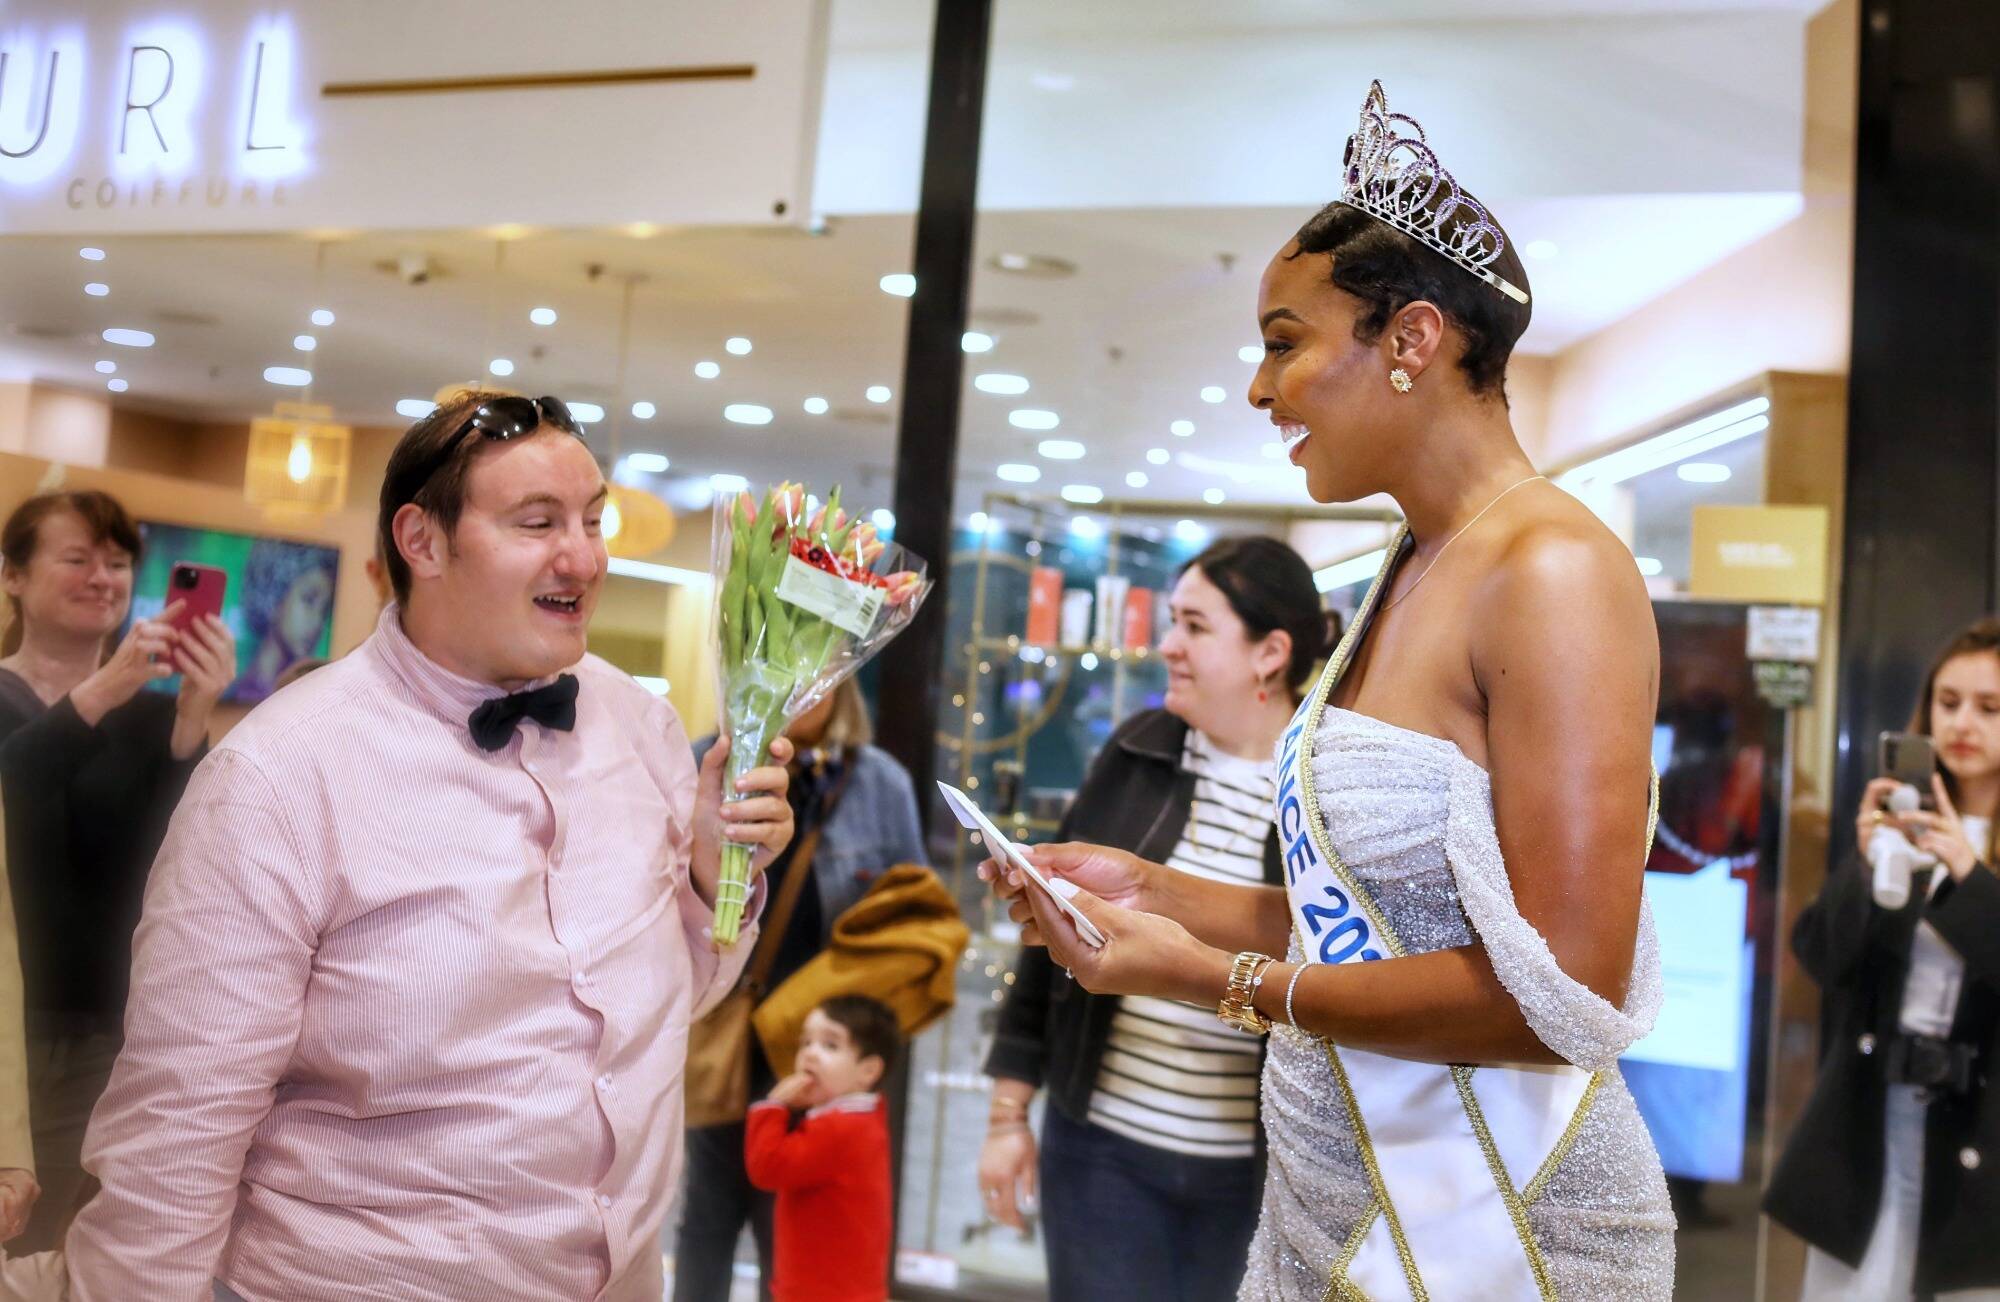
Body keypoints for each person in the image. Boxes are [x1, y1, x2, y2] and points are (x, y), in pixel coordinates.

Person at [981, 80, 1673, 1300]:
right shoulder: (1403, 570)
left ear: (1409, 339)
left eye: (1284, 340)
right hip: (1332, 1204)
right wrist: (1152, 891)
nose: (1259, 389)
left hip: (1499, 1230)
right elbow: (1360, 922)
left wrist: (1207, 981)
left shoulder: (1553, 571)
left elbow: (1565, 991)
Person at [62, 389, 797, 1302]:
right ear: (422, 542)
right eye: (538, 522)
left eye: (594, 519)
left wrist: (711, 872)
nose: (585, 556)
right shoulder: (282, 773)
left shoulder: (642, 727)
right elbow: (179, 1128)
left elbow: (657, 1011)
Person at [979, 536, 1331, 1301]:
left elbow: (1337, 966)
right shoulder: (1134, 755)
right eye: (1171, 622)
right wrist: (1009, 1114)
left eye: (1195, 627)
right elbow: (1048, 952)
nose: (1166, 646)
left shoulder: (1329, 791)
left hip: (1258, 1172)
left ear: (1271, 652)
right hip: (1101, 1150)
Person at [0, 490, 234, 1253]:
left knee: (40, 1242)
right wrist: (106, 687)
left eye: (119, 562)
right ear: (12, 577)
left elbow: (169, 861)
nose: (104, 577)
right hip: (6, 1018)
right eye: (78, 559)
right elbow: (14, 792)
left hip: (96, 1026)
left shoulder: (146, 715)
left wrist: (194, 716)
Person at [1767, 618, 2000, 1300]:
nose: (1962, 722)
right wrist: (1866, 867)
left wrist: (1968, 875)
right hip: (1871, 1115)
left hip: (1978, 1138)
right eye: (1947, 701)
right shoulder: (1903, 822)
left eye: (1990, 707)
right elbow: (1822, 957)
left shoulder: (1958, 847)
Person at [674, 677, 923, 1302]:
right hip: (723, 1028)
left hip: (821, 1045)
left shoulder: (878, 783)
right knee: (704, 1219)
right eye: (787, 675)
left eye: (820, 675)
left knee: (793, 1227)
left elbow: (915, 917)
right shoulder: (705, 761)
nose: (803, 690)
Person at [744, 995, 900, 1302]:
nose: (810, 1055)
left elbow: (768, 1167)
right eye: (806, 1042)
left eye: (830, 1045)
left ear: (868, 1071)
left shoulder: (840, 1128)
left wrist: (772, 1108)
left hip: (820, 1291)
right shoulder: (863, 1119)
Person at [234, 541, 337, 700]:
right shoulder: (237, 690)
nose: (317, 622)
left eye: (324, 611)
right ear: (275, 595)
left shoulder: (312, 697)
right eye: (308, 600)